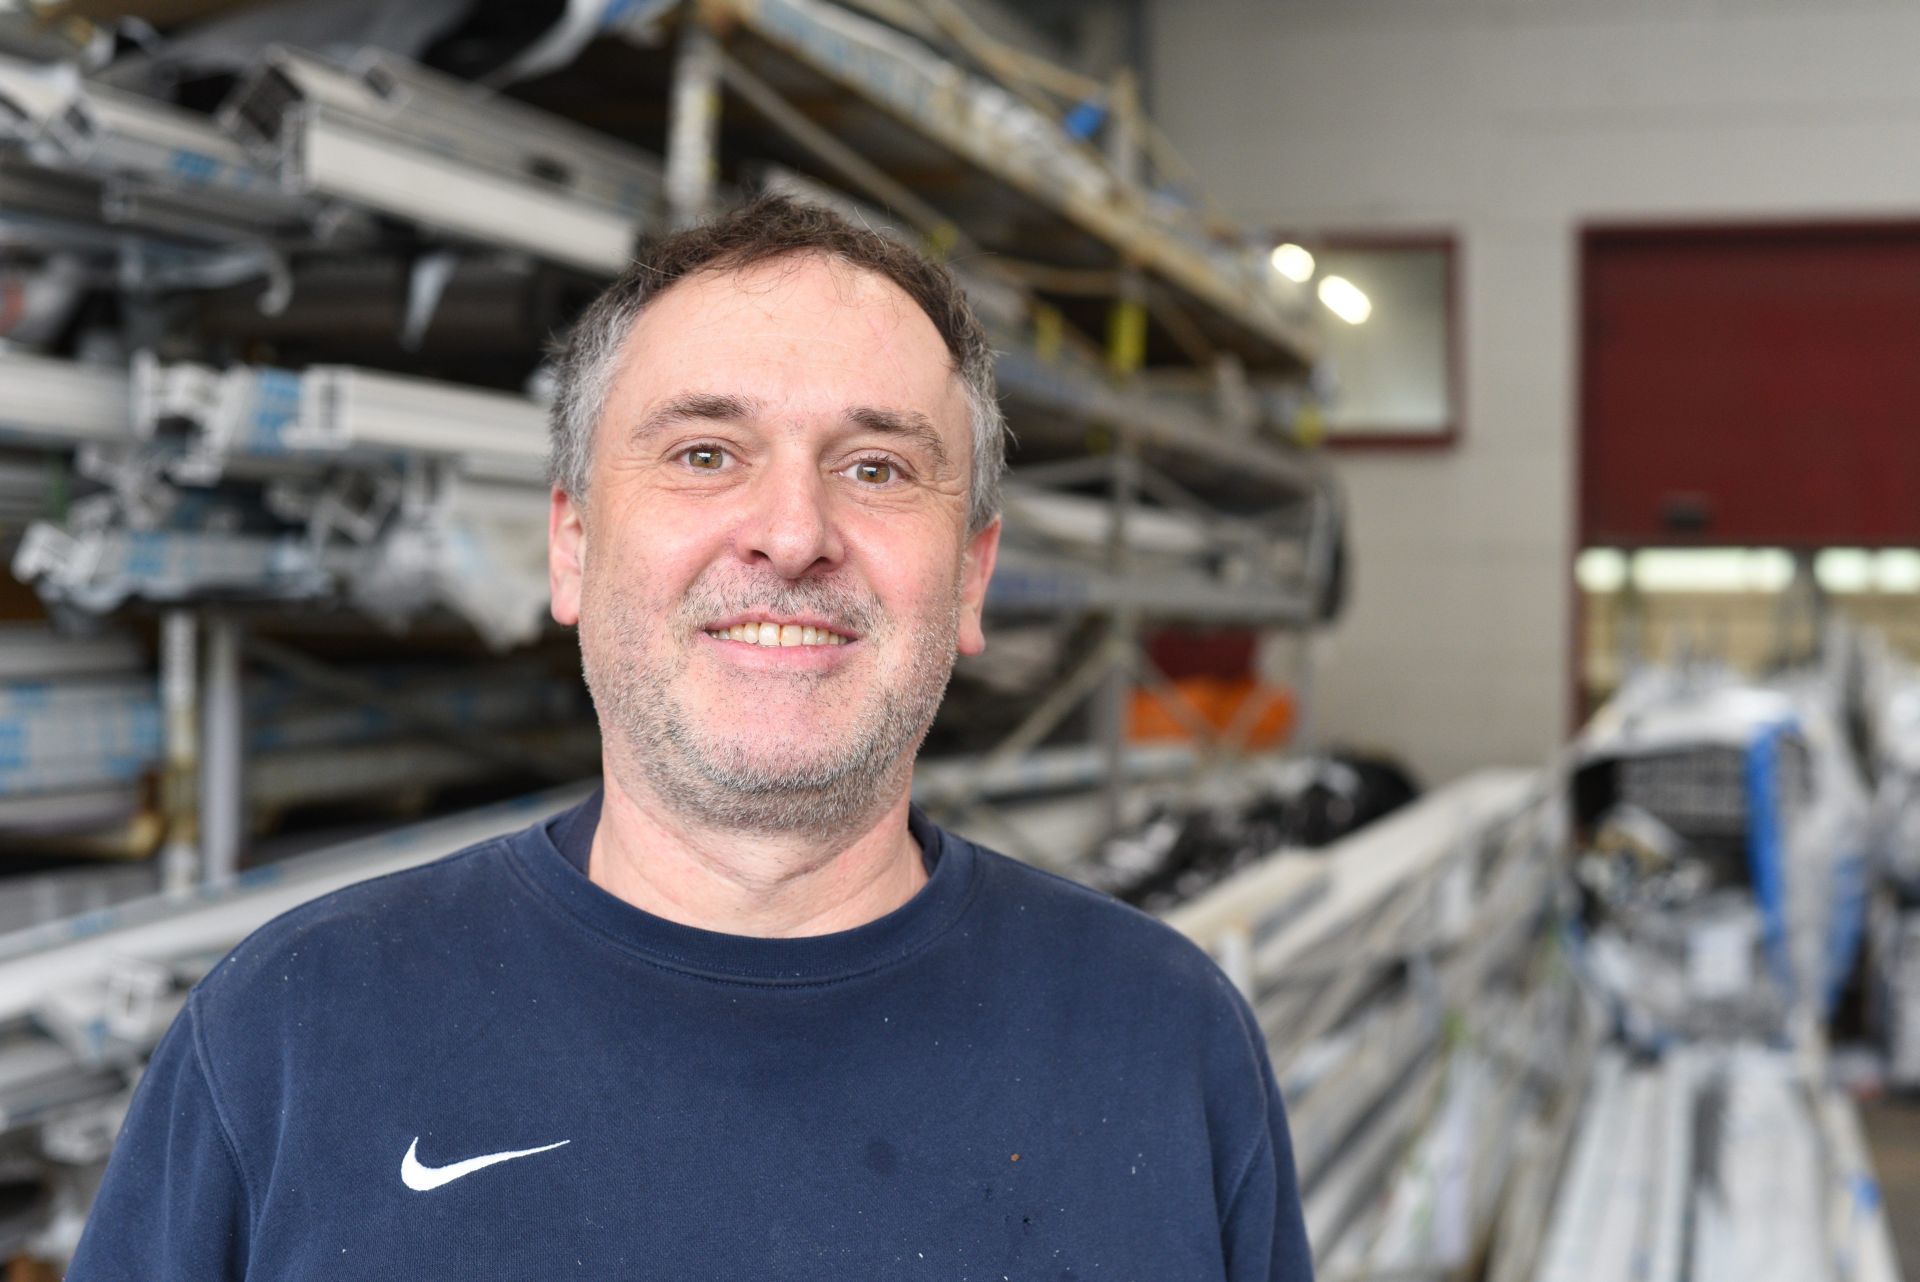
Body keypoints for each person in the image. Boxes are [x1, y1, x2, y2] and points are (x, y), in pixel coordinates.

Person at [70, 195, 1313, 1280]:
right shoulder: (293, 1033)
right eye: (706, 452)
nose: (793, 533)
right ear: (571, 544)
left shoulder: (1166, 1041)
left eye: (877, 468)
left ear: (972, 575)